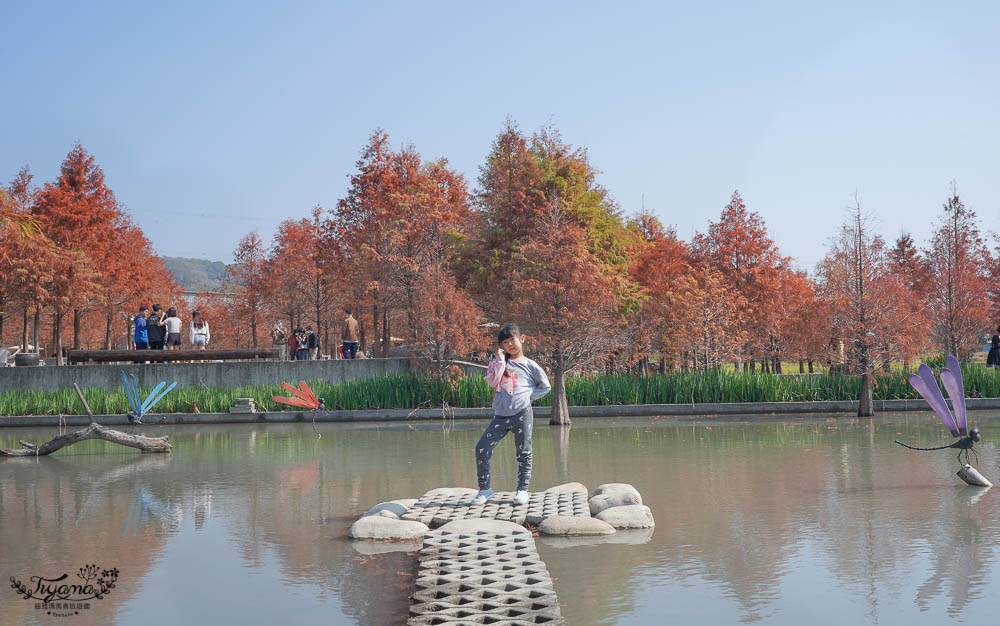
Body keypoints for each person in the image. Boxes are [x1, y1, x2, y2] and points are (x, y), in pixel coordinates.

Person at [474, 323, 551, 505]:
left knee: (523, 451)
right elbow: (492, 381)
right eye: (505, 342)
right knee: (482, 448)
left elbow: (545, 386)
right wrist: (499, 361)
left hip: (522, 413)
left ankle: (522, 490)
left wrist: (528, 396)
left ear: (522, 339)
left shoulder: (530, 366)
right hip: (500, 415)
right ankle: (485, 489)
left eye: (512, 340)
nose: (510, 344)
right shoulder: (500, 363)